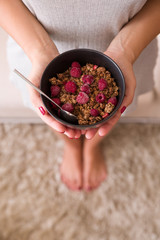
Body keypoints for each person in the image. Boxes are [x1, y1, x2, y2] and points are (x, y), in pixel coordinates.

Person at [0, 0, 160, 191]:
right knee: (52, 113)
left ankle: (92, 147)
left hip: (131, 49)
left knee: (108, 118)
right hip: (33, 46)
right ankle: (73, 147)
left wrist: (125, 49)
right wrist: (40, 50)